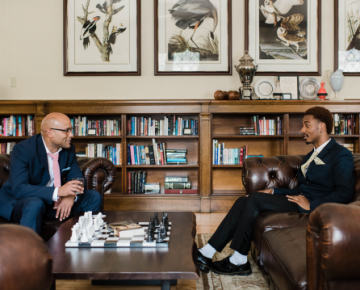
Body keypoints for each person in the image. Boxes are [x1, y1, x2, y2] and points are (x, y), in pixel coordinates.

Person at [197, 106, 355, 276]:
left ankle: (239, 260)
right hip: (299, 200)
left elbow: (344, 192)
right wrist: (272, 192)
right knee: (245, 200)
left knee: (254, 200)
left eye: (306, 125)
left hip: (314, 207)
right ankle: (207, 252)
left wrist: (312, 205)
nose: (302, 130)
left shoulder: (341, 154)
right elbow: (301, 189)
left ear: (321, 127)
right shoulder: (310, 156)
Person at [0, 113, 101, 235]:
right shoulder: (23, 150)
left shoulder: (69, 149)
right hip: (21, 204)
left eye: (71, 130)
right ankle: (30, 252)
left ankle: (83, 240)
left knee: (93, 197)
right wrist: (59, 191)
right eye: (67, 131)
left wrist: (70, 196)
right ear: (50, 133)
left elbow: (77, 178)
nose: (71, 135)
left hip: (53, 205)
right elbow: (19, 189)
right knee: (35, 203)